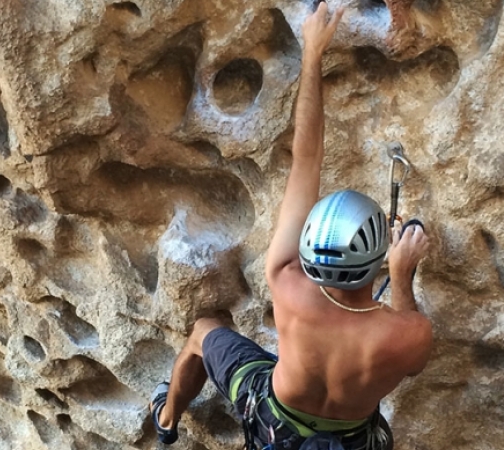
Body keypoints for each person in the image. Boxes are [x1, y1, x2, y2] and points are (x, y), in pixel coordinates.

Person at [148, 3, 433, 449]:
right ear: (377, 259)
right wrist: (401, 273)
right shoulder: (405, 334)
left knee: (204, 333)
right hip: (350, 438)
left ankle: (166, 419)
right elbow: (410, 357)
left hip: (272, 423)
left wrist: (313, 52)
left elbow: (307, 159)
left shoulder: (286, 279)